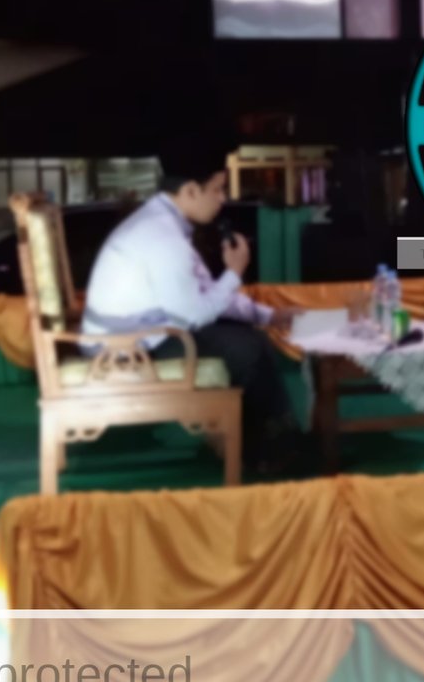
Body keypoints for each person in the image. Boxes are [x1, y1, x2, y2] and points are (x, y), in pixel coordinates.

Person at [82, 139, 300, 470]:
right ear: (190, 191)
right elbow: (195, 314)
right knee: (247, 348)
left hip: (143, 335)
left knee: (245, 336)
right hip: (123, 349)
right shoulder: (162, 236)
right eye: (218, 189)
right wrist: (234, 272)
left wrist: (271, 316)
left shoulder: (165, 225)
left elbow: (206, 295)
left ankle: (267, 443)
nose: (223, 199)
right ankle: (266, 450)